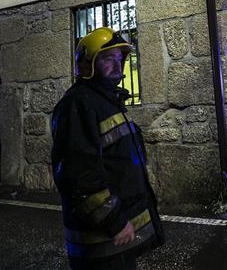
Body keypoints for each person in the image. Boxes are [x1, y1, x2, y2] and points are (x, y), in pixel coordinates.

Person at [51, 27, 164, 269]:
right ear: (88, 64)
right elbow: (78, 175)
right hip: (100, 245)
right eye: (107, 59)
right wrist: (113, 220)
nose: (118, 65)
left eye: (119, 58)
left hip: (114, 242)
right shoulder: (79, 104)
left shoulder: (105, 100)